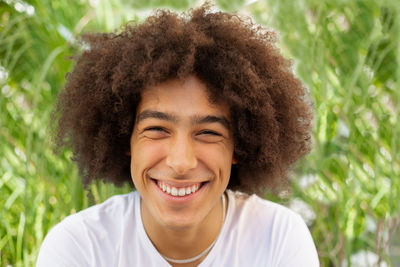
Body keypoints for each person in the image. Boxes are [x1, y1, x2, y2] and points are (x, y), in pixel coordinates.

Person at [36, 4, 319, 267]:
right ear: (126, 140)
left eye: (208, 132)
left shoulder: (278, 241)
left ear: (238, 147)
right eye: (157, 130)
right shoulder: (79, 249)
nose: (181, 162)